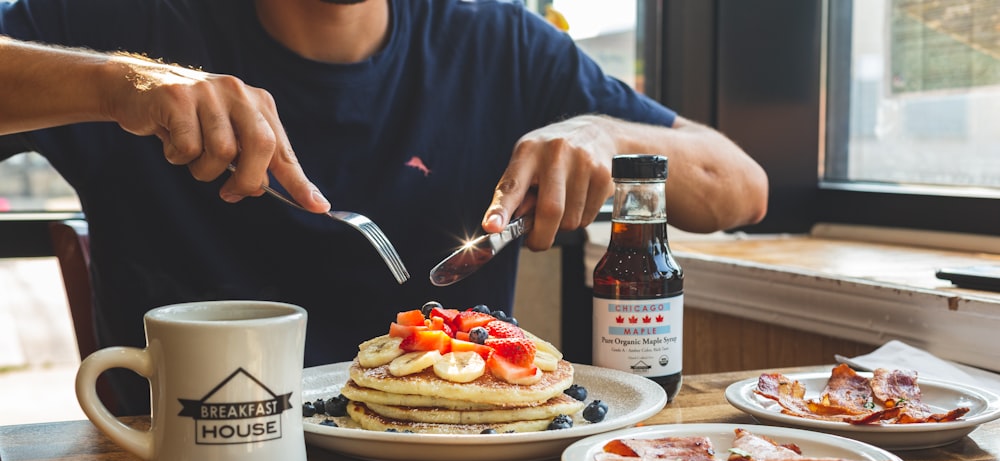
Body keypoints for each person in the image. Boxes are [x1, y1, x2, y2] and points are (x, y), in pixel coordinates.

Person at [0, 0, 768, 414]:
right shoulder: (117, 25)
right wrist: (115, 85)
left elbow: (742, 186)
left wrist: (602, 130)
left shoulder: (503, 46)